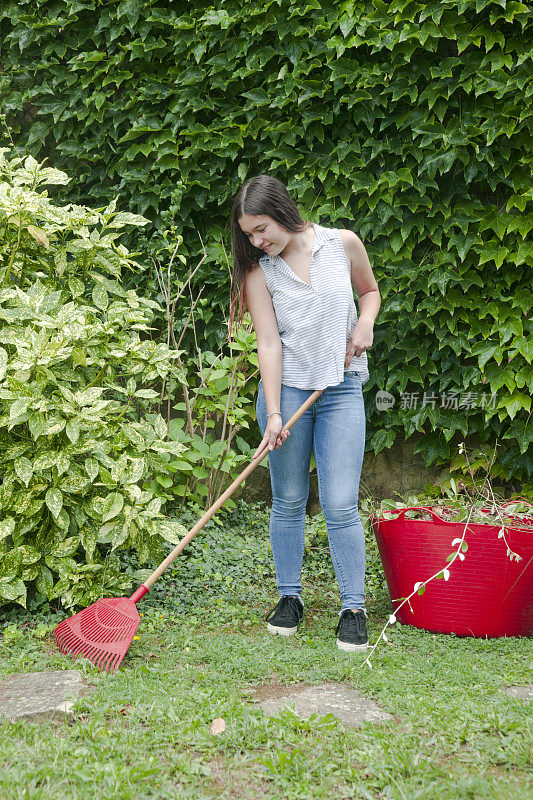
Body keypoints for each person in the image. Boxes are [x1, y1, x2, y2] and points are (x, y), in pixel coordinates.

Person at [228, 174, 380, 652]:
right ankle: (289, 598)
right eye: (249, 234)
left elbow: (369, 293)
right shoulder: (260, 271)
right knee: (289, 500)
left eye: (261, 228)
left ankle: (353, 607)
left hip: (339, 390)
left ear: (282, 211)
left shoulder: (342, 244)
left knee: (339, 503)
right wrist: (273, 412)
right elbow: (269, 343)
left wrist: (366, 326)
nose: (257, 241)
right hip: (288, 394)